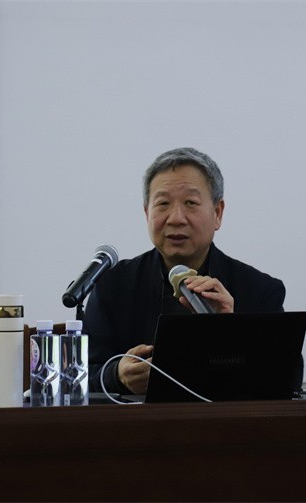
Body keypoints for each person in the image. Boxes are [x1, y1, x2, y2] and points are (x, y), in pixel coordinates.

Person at [86, 147, 289, 395]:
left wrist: (231, 330)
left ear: (217, 213)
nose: (176, 218)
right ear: (147, 213)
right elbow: (80, 374)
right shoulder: (113, 285)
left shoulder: (260, 290)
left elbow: (286, 379)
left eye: (190, 203)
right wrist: (117, 375)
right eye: (163, 204)